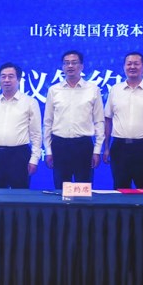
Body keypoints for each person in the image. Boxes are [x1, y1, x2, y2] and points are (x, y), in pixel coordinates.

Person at [103, 52, 143, 190]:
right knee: (120, 190)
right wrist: (106, 147)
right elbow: (108, 120)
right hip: (119, 147)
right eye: (129, 64)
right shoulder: (115, 90)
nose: (132, 67)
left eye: (136, 64)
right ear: (124, 67)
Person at [44, 50, 105, 189]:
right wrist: (48, 150)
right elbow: (48, 122)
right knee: (60, 190)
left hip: (83, 145)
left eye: (74, 62)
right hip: (60, 145)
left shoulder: (92, 89)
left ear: (81, 66)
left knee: (83, 189)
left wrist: (97, 150)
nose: (70, 66)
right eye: (66, 63)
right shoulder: (54, 90)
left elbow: (99, 121)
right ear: (62, 67)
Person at [0, 62, 42, 189]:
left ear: (18, 79)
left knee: (21, 196)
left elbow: (36, 134)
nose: (6, 80)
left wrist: (34, 159)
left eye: (11, 76)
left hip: (20, 156)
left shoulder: (30, 102)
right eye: (3, 76)